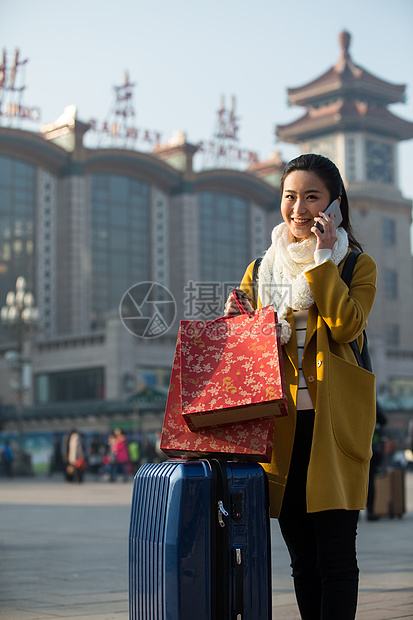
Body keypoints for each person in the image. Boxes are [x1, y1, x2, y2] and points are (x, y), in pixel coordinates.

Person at [225, 153, 377, 620]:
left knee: (335, 556)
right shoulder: (261, 269)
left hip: (334, 429)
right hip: (283, 431)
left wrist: (322, 261)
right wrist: (238, 325)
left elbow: (347, 326)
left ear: (333, 206)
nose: (298, 208)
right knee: (301, 561)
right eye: (290, 196)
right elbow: (246, 356)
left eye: (312, 197)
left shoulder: (356, 265)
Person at [366, 401, 387, 521]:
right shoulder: (371, 398)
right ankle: (370, 511)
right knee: (369, 481)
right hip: (370, 447)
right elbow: (383, 420)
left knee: (351, 480)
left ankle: (352, 510)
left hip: (349, 446)